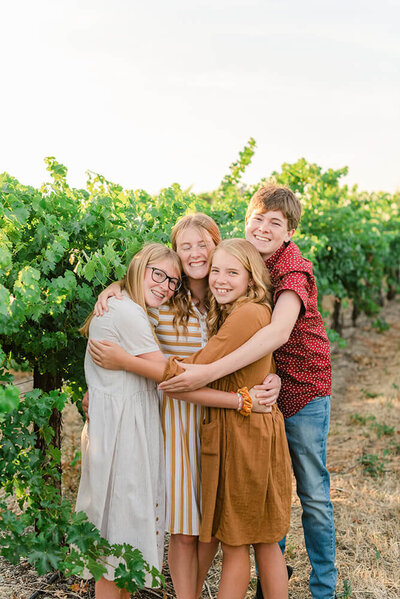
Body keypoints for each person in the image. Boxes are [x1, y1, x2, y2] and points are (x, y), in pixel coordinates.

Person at [86, 214, 281, 599]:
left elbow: (250, 349)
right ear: (175, 252)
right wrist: (111, 290)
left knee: (209, 522)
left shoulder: (228, 299)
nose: (196, 254)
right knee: (183, 528)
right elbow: (128, 315)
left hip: (218, 420)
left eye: (203, 244)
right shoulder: (164, 299)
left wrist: (271, 375)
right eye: (185, 246)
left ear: (218, 245)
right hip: (172, 418)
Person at [160, 185, 337, 599]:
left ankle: (325, 590)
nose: (264, 227)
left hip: (302, 393)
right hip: (267, 399)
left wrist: (202, 373)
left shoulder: (291, 271)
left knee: (310, 495)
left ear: (290, 232)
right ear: (244, 221)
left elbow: (276, 332)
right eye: (257, 218)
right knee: (267, 526)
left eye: (275, 222)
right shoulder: (248, 265)